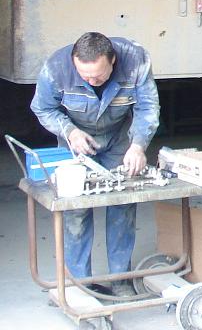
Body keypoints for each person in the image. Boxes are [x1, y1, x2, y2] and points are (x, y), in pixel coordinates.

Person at [30, 32, 160, 295]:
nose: (91, 81)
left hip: (119, 139)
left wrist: (138, 145)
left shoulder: (135, 60)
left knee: (122, 203)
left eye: (98, 76)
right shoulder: (56, 68)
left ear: (113, 60)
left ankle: (121, 280)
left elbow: (147, 107)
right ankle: (80, 285)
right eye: (85, 76)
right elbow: (43, 108)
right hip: (76, 141)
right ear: (74, 62)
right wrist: (69, 131)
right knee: (75, 210)